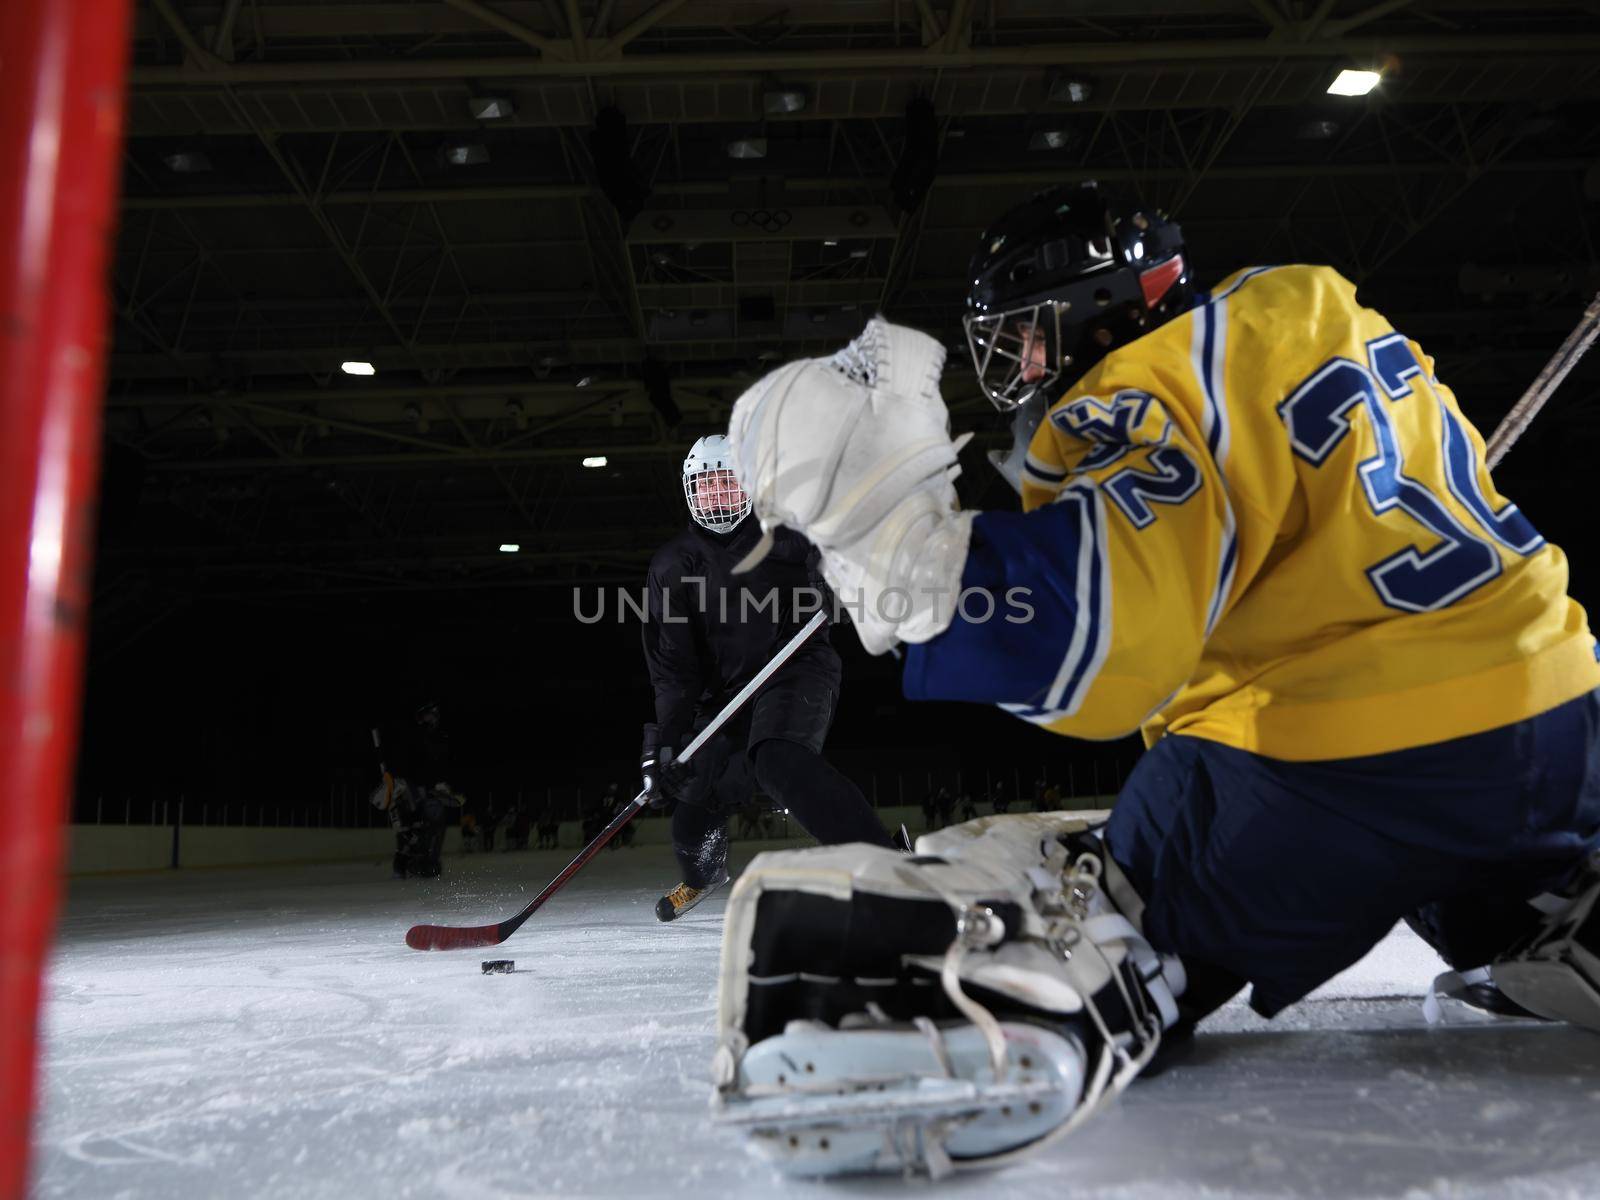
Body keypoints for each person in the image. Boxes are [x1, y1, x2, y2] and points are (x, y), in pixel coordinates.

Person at [709, 184, 1600, 1175]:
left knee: (1099, 893)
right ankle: (1543, 906)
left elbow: (1109, 646)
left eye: (1027, 336)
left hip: (1342, 764)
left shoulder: (1139, 386)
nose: (1020, 366)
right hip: (1557, 713)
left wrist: (909, 559)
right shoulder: (1309, 305)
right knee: (1469, 859)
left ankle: (1007, 1011)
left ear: (1106, 303)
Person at [640, 434, 896, 923]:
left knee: (778, 761)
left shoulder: (789, 536)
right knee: (695, 787)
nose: (717, 497)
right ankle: (703, 874)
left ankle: (883, 860)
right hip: (724, 695)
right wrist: (666, 742)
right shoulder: (672, 566)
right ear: (691, 492)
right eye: (706, 486)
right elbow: (673, 668)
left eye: (727, 484)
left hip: (793, 667)